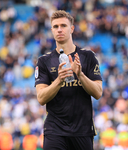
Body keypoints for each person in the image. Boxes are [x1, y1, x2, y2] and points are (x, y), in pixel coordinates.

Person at [35, 10, 103, 150]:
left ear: (72, 28)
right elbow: (41, 98)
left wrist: (81, 75)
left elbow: (98, 93)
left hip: (83, 131)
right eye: (55, 26)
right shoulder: (44, 61)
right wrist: (60, 80)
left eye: (63, 25)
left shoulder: (88, 57)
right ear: (52, 30)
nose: (59, 30)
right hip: (55, 131)